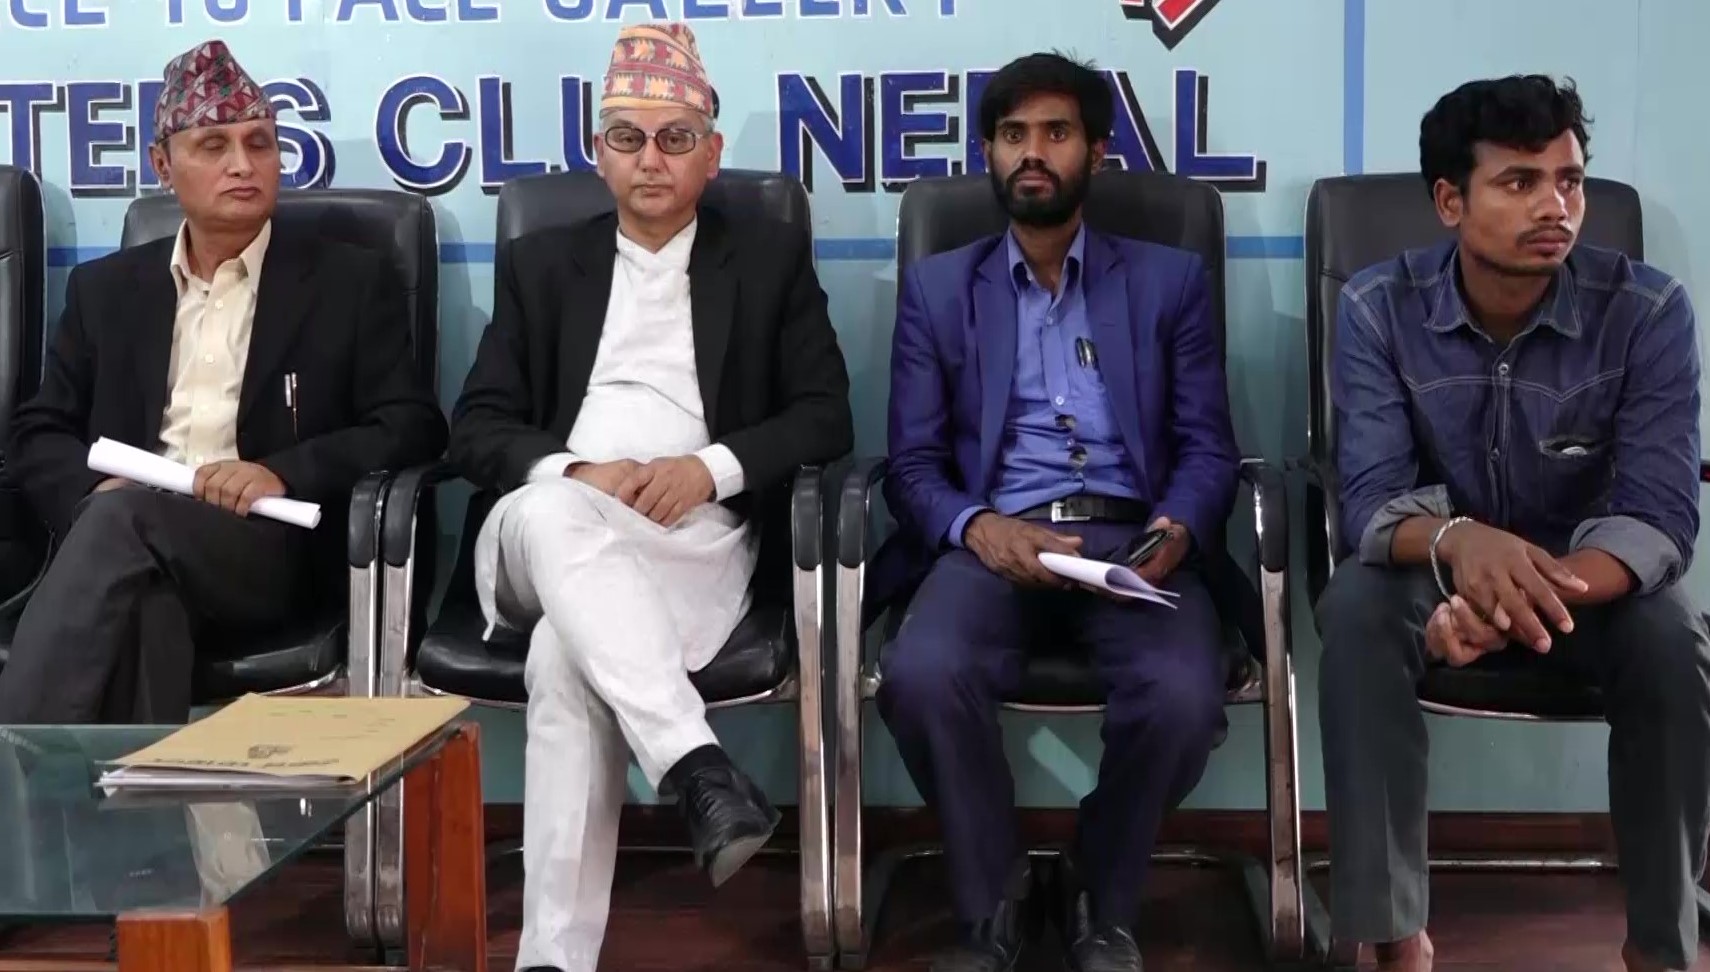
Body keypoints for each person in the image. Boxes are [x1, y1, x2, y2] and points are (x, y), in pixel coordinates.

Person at [445, 22, 852, 972]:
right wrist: (572, 471)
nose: (650, 159)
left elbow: (825, 415)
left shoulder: (766, 261)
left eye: (675, 138)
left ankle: (552, 961)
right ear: (600, 152)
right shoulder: (544, 264)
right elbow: (475, 427)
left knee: (564, 655)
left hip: (688, 540)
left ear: (712, 153)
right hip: (537, 533)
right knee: (554, 514)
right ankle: (695, 764)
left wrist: (709, 469)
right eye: (628, 138)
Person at [1316, 75, 1710, 972]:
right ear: (1450, 201)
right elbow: (1371, 500)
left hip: (1590, 586)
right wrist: (1461, 545)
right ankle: (1395, 940)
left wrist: (1513, 600)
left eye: (1569, 181)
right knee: (1356, 608)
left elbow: (1658, 515)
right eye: (1520, 182)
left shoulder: (1648, 311)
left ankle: (1662, 949)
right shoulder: (1378, 307)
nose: (1554, 206)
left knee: (1673, 637)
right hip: (1431, 575)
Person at [873, 52, 1240, 972]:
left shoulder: (1168, 281)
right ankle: (993, 900)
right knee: (921, 675)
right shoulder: (940, 289)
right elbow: (911, 465)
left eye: (1056, 132)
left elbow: (1208, 449)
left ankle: (1098, 892)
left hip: (1132, 538)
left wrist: (1176, 529)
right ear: (989, 154)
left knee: (1183, 697)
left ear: (1096, 152)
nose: (1032, 152)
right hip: (992, 541)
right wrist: (978, 527)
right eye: (1012, 134)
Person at [0, 40, 447, 726]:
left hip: (265, 548)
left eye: (260, 143)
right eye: (214, 146)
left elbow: (411, 425)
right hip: (127, 542)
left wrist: (280, 472)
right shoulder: (106, 291)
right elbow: (39, 430)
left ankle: (12, 765)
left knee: (123, 527)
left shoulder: (348, 282)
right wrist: (93, 492)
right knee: (146, 604)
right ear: (162, 165)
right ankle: (140, 800)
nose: (243, 164)